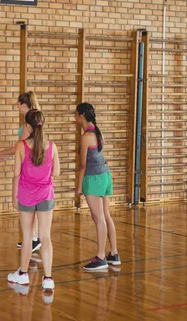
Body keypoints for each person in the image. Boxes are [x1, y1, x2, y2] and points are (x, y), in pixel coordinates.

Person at [7, 110, 60, 291]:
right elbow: (56, 172)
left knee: (28, 236)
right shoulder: (52, 146)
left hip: (26, 195)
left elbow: (16, 174)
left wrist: (14, 196)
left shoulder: (21, 146)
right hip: (46, 194)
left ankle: (22, 274)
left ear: (27, 126)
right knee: (46, 236)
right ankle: (48, 278)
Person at [0, 91, 41, 252]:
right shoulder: (32, 122)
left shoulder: (28, 125)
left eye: (19, 104)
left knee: (25, 203)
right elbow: (22, 150)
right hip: (31, 166)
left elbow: (20, 147)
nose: (17, 107)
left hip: (28, 170)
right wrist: (5, 158)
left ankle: (33, 238)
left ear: (25, 106)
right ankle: (34, 237)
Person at [74, 102, 121, 271]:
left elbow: (83, 165)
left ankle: (101, 257)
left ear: (82, 116)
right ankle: (114, 254)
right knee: (106, 215)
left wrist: (79, 186)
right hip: (105, 175)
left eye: (76, 113)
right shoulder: (98, 133)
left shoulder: (86, 137)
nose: (75, 116)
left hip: (93, 178)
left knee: (98, 218)